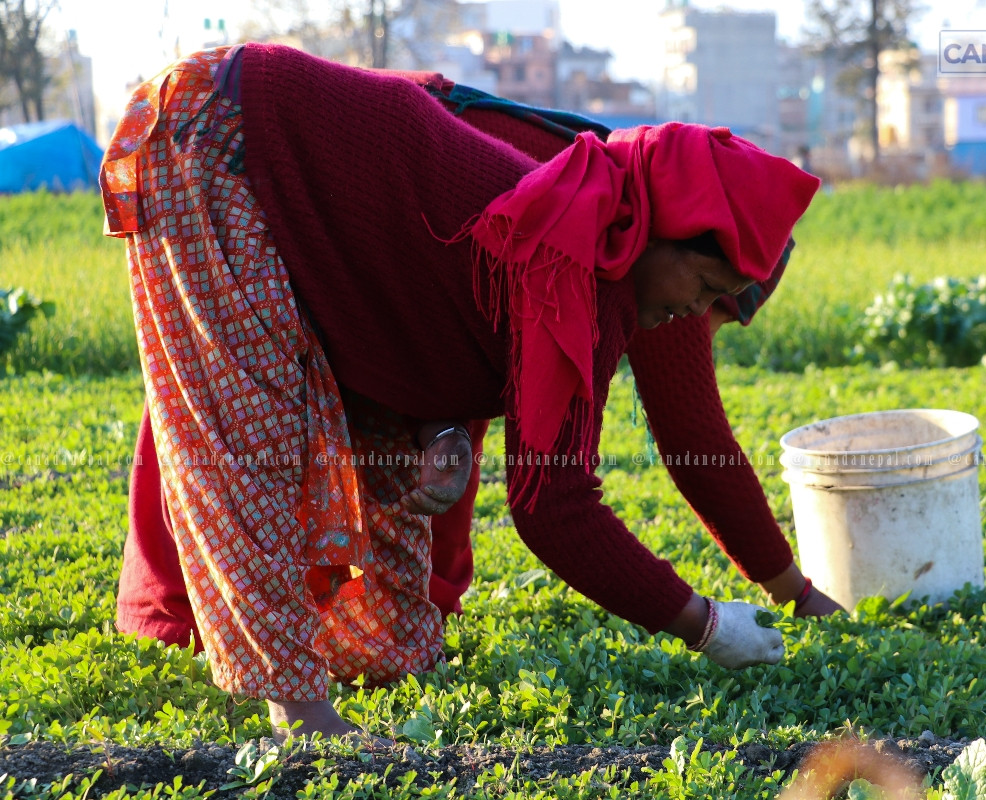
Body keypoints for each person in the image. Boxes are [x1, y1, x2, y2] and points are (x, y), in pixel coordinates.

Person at [101, 44, 833, 742]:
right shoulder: (576, 257)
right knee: (252, 441)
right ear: (665, 233)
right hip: (221, 137)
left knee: (395, 616)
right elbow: (556, 510)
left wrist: (442, 433)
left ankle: (341, 654)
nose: (691, 317)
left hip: (330, 227)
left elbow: (429, 306)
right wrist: (705, 624)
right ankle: (296, 712)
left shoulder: (609, 253)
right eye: (703, 289)